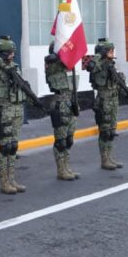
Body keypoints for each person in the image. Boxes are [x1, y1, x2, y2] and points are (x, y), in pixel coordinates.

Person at [0, 36, 30, 194]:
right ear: (0, 53)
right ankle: (4, 182)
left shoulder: (14, 66)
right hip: (4, 109)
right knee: (5, 146)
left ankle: (12, 179)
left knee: (13, 147)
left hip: (17, 109)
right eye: (8, 52)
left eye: (12, 51)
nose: (11, 54)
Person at [86, 38, 125, 169]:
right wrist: (98, 56)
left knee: (112, 131)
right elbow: (89, 66)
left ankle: (110, 157)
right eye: (110, 50)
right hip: (104, 100)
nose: (113, 52)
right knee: (105, 132)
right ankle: (104, 160)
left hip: (113, 99)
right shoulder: (98, 64)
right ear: (103, 52)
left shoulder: (110, 64)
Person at [45, 42, 79, 181]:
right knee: (61, 141)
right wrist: (61, 54)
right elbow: (51, 62)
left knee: (69, 139)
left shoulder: (70, 65)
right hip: (60, 104)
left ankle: (66, 167)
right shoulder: (52, 65)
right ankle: (61, 170)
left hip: (71, 103)